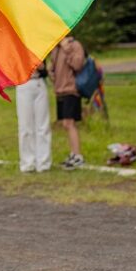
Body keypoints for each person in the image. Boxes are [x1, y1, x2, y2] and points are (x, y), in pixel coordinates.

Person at [50, 35, 86, 170]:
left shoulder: (75, 45)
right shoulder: (55, 48)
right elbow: (53, 68)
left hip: (71, 90)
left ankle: (78, 156)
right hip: (60, 91)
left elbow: (77, 65)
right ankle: (73, 153)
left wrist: (67, 49)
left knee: (69, 123)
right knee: (66, 124)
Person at [15, 62, 51, 173]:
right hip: (23, 84)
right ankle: (27, 163)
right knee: (25, 126)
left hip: (39, 82)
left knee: (43, 126)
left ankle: (43, 163)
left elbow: (45, 70)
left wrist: (42, 67)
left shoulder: (37, 47)